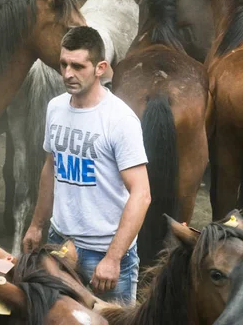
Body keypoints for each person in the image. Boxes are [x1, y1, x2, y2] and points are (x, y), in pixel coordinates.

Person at [22, 26, 151, 304]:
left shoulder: (120, 120)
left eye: (78, 66)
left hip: (103, 252)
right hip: (59, 244)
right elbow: (50, 168)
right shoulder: (55, 108)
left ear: (100, 68)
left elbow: (141, 194)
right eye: (64, 64)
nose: (68, 73)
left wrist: (113, 258)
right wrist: (36, 225)